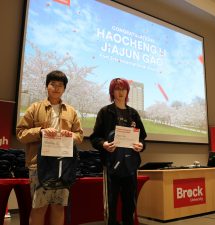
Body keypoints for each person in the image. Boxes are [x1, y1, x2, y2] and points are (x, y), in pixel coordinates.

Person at [16, 70, 83, 225]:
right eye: (53, 84)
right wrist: (40, 132)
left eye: (60, 85)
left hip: (63, 165)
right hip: (39, 164)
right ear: (46, 86)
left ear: (64, 88)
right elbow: (20, 134)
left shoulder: (71, 111)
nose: (56, 88)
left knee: (59, 207)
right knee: (39, 207)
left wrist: (71, 136)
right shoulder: (35, 108)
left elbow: (79, 135)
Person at [90, 78, 147, 225]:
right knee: (111, 204)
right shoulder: (105, 112)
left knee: (130, 204)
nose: (120, 92)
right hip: (111, 165)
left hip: (130, 166)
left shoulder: (133, 114)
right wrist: (104, 144)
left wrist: (141, 145)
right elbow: (95, 137)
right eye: (117, 89)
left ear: (127, 91)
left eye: (123, 89)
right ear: (112, 92)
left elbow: (142, 138)